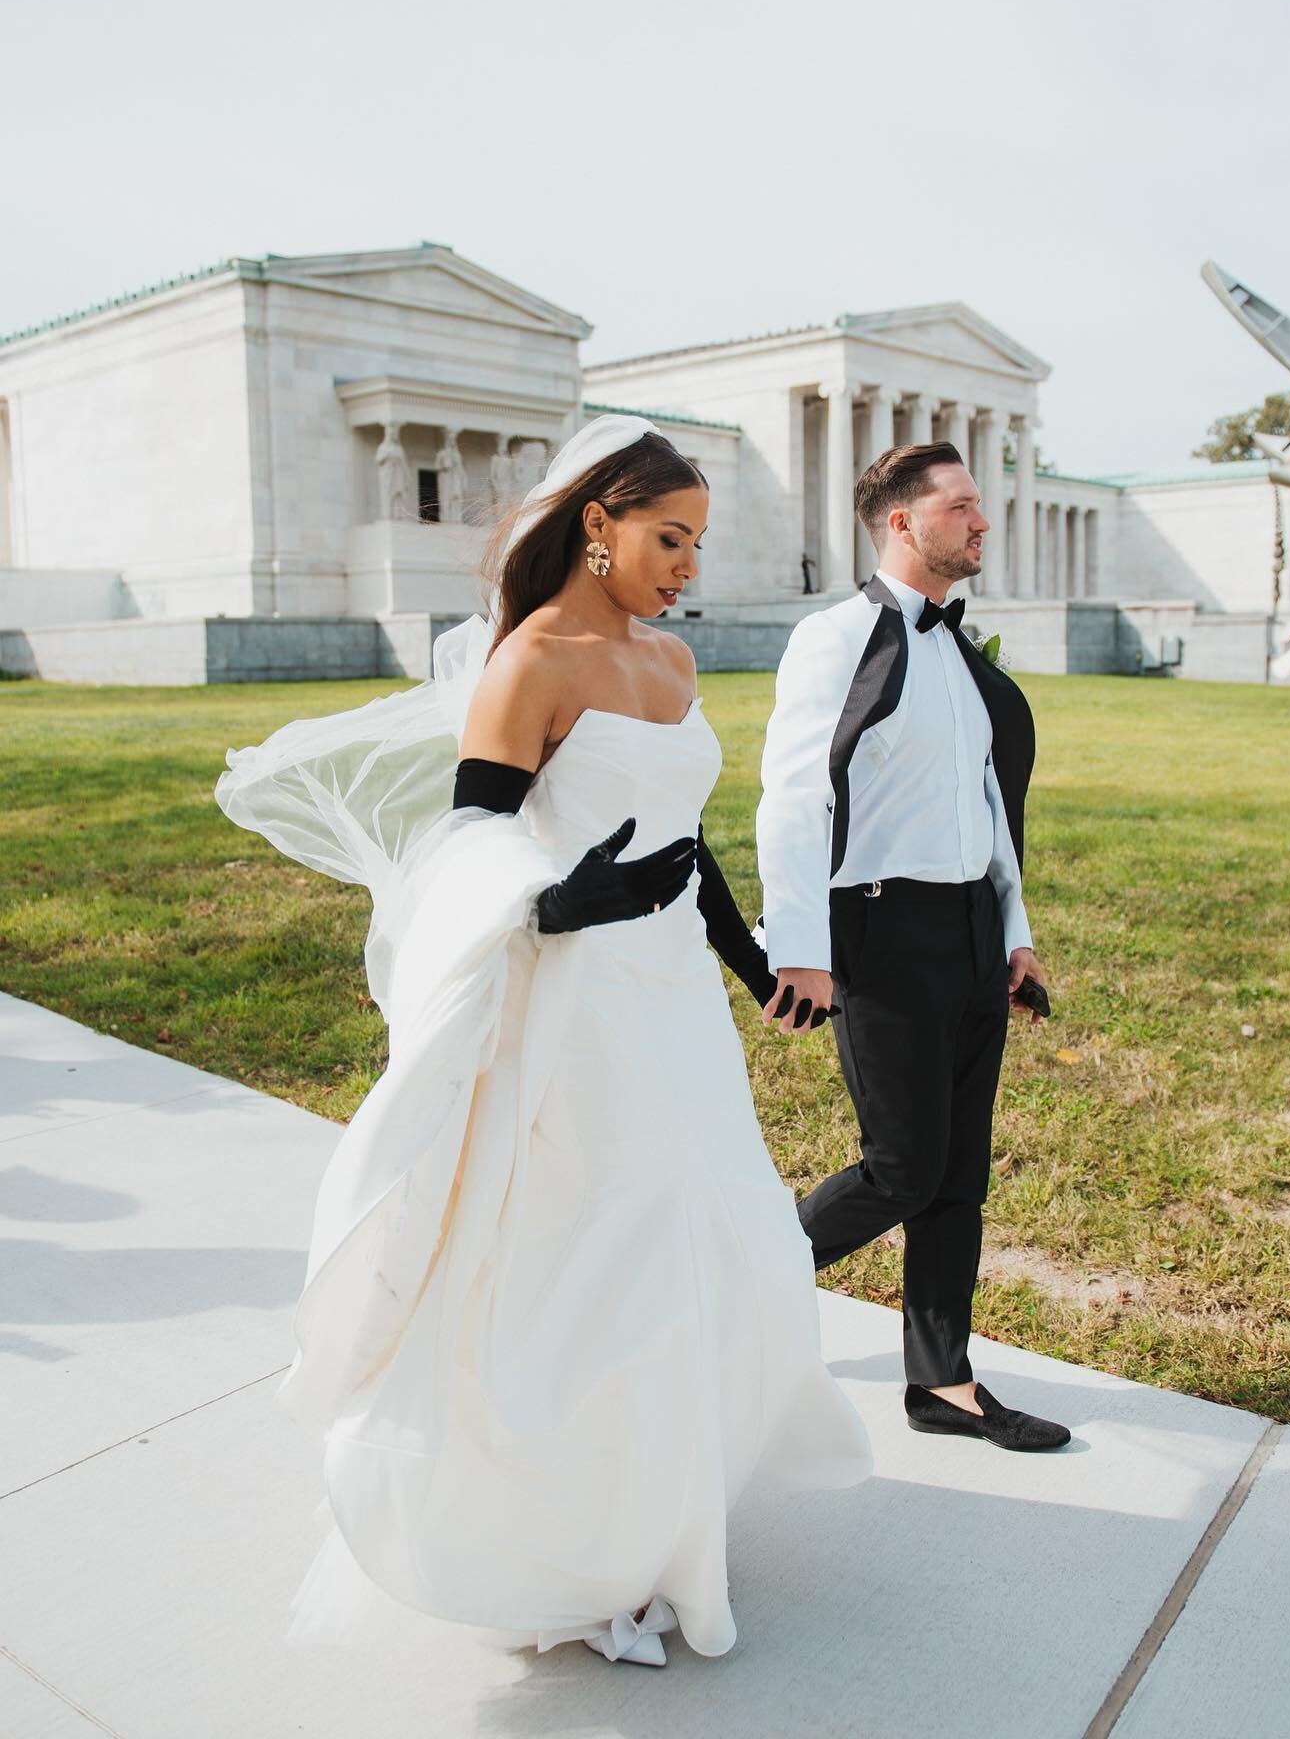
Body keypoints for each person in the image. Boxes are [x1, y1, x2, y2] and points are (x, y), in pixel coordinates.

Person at [215, 414, 869, 1671]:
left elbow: (682, 840)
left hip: (672, 999)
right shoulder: (532, 664)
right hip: (576, 1004)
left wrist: (752, 963)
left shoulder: (672, 665)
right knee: (594, 1240)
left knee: (698, 1217)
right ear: (597, 525)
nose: (687, 563)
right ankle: (562, 1528)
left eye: (697, 542)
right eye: (668, 537)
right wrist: (561, 904)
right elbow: (470, 839)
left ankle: (668, 1510)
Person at [754, 441, 1072, 1452]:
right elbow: (796, 796)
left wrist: (1013, 938)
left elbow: (988, 807)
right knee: (901, 1166)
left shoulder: (963, 660)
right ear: (902, 521)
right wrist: (798, 944)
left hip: (971, 934)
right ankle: (734, 1280)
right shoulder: (831, 638)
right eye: (964, 506)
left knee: (959, 1177)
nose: (983, 523)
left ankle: (944, 1382)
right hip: (877, 933)